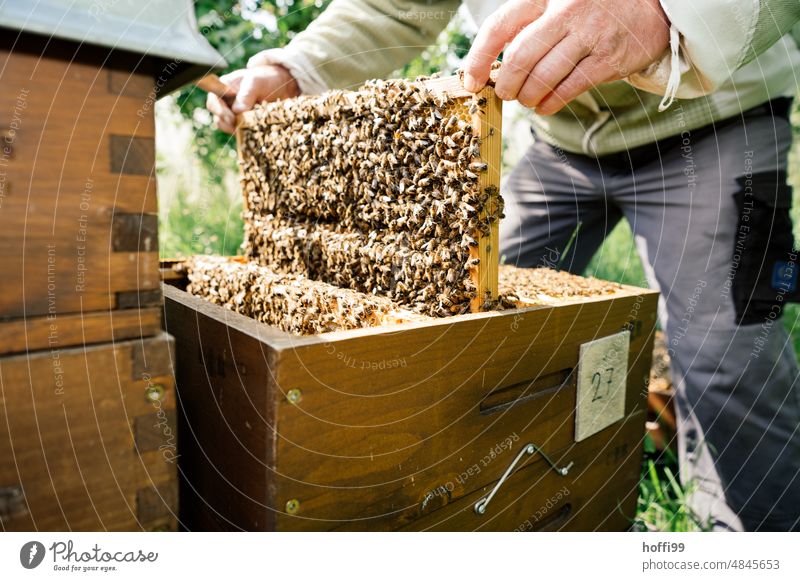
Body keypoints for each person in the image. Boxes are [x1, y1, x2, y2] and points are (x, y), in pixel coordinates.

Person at [207, 0, 800, 531]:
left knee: (726, 353)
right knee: (472, 332)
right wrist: (296, 67)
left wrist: (666, 12)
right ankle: (496, 503)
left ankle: (757, 540)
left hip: (714, 128)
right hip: (566, 145)